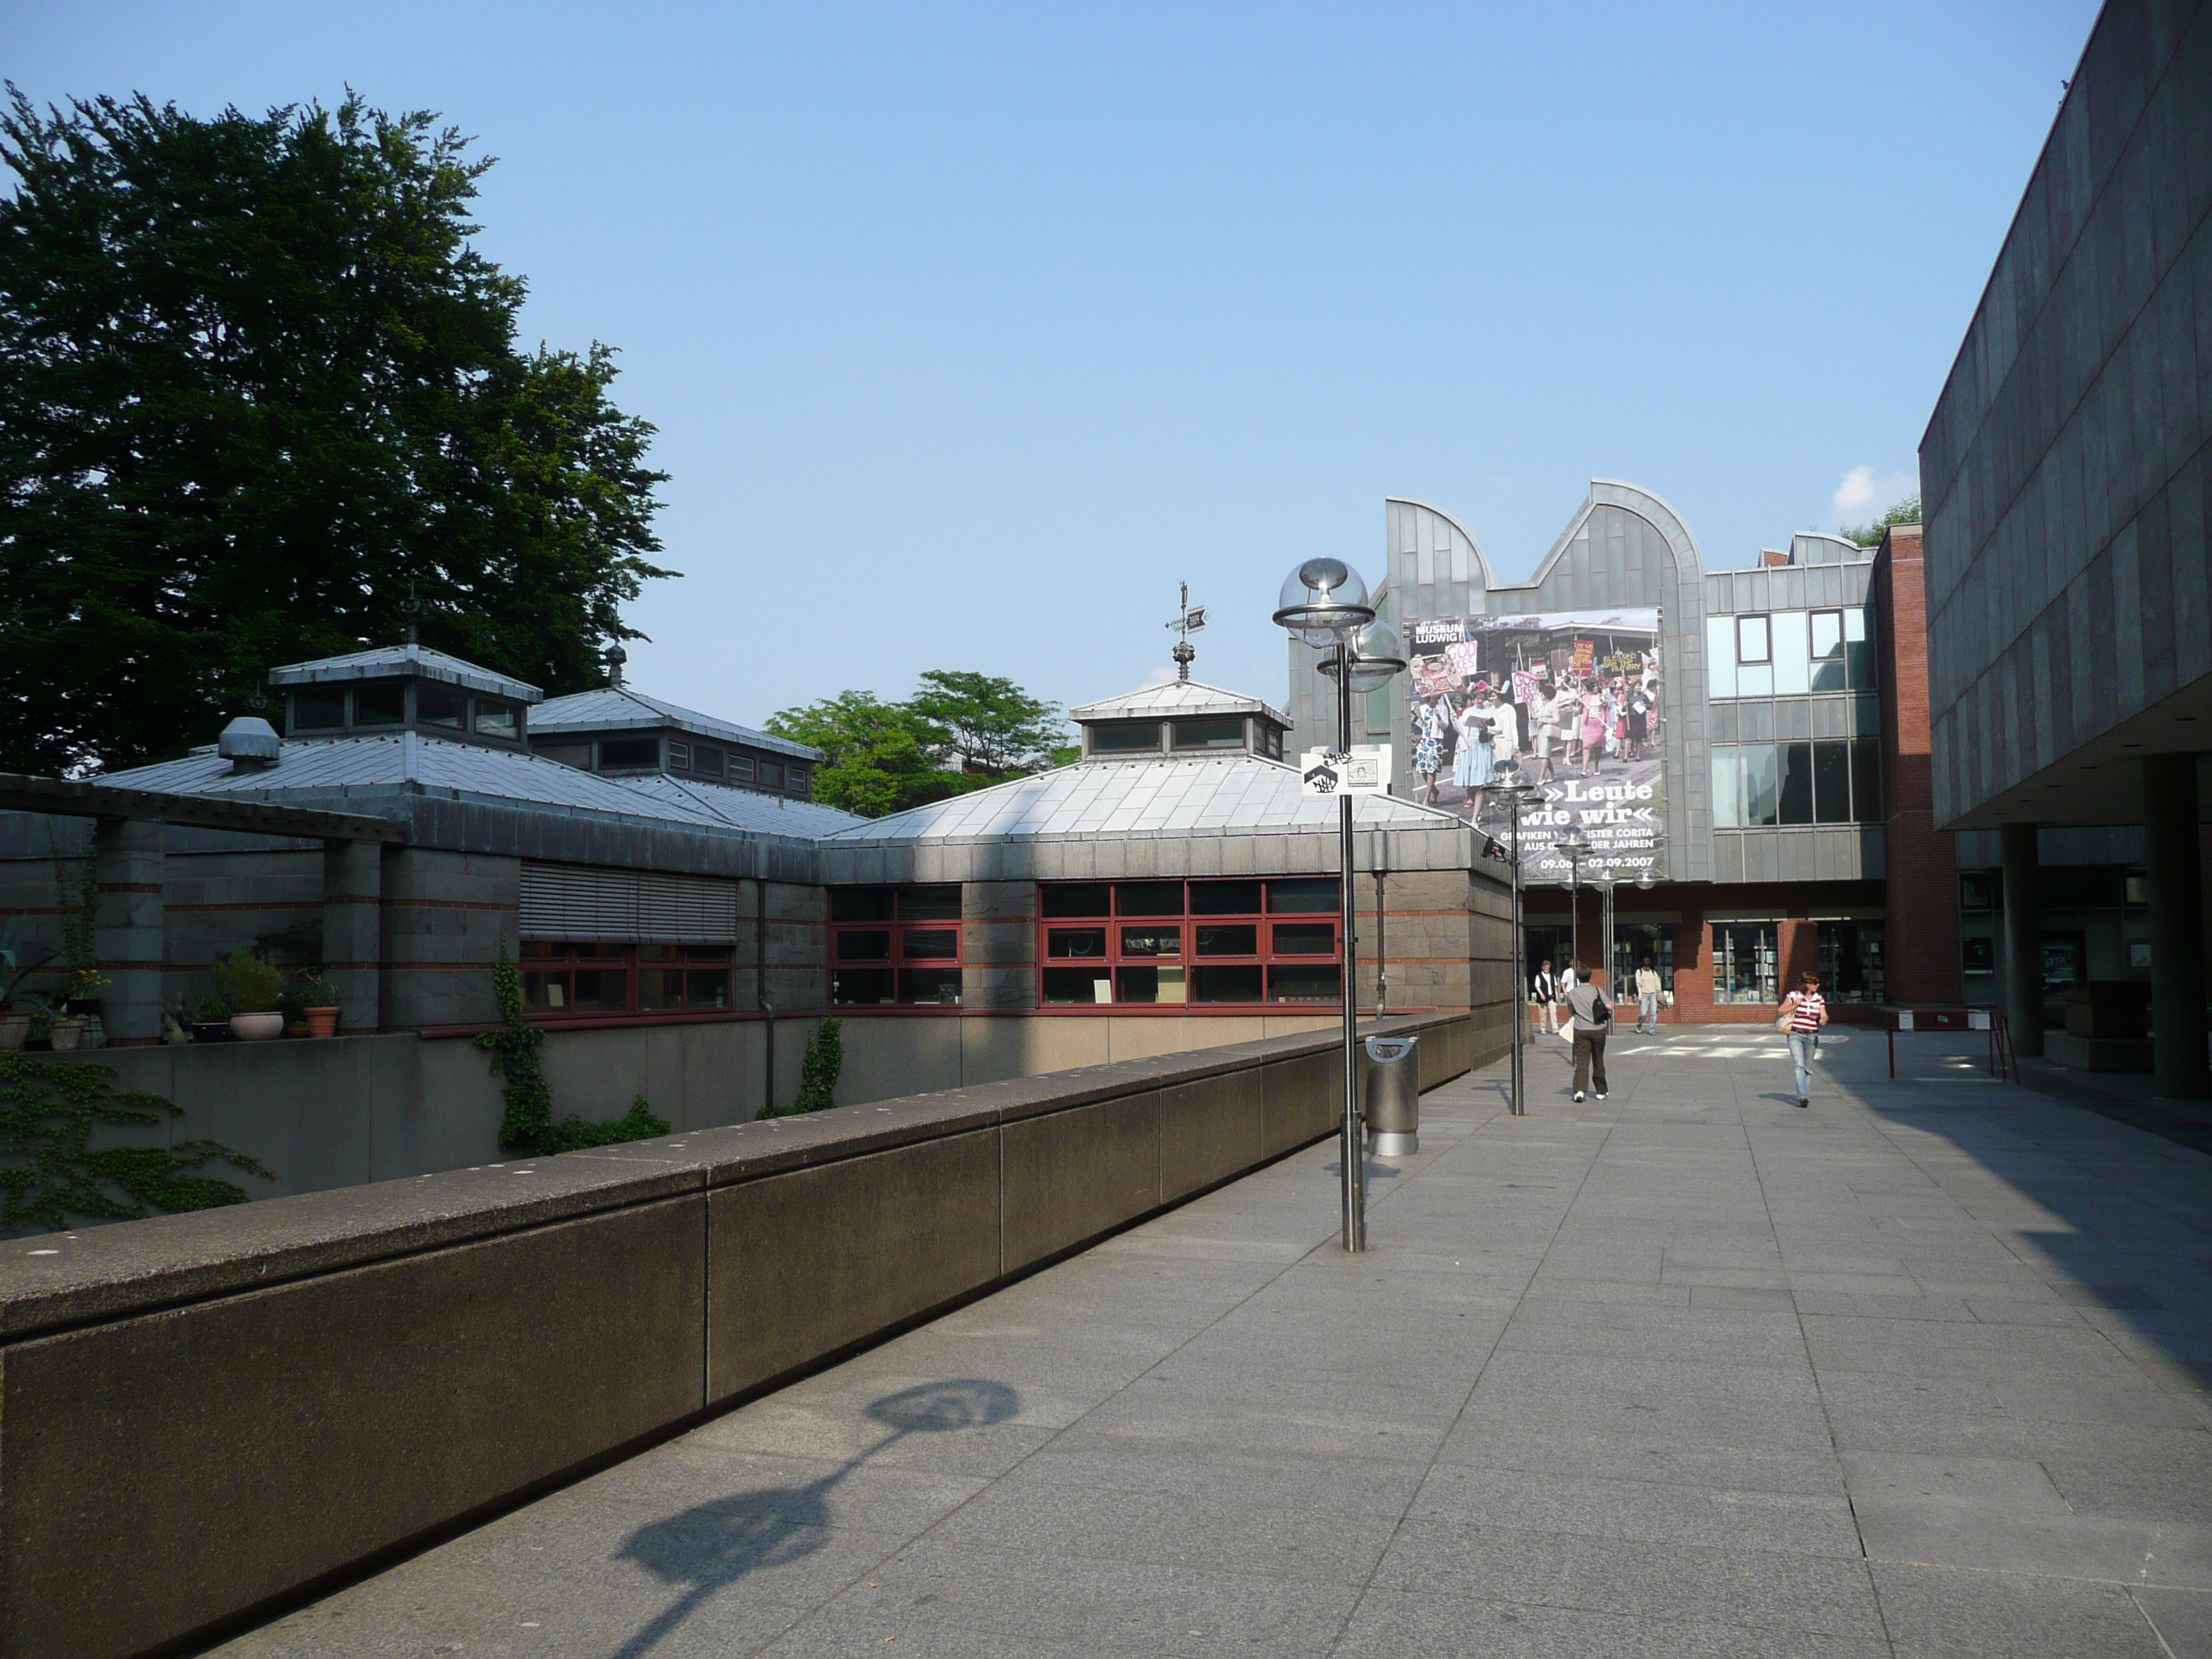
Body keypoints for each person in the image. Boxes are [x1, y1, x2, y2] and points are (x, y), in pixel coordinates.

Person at [1563, 960, 1611, 1101]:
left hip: (1580, 1029)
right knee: (1598, 1059)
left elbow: (1571, 1011)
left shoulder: (1572, 993)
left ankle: (1579, 1090)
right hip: (1598, 1029)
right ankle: (1601, 1091)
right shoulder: (1597, 991)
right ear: (1590, 976)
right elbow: (1610, 1006)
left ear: (1578, 977)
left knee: (1582, 1060)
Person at [1781, 970, 1829, 1107]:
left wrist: (1824, 1019)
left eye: (1817, 983)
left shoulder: (1818, 998)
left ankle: (1805, 1095)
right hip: (1795, 1034)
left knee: (1808, 1068)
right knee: (1799, 1065)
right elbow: (1781, 1011)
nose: (1817, 986)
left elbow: (1824, 1014)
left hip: (1812, 1035)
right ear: (1806, 984)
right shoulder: (1793, 996)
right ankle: (1802, 1096)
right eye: (1814, 983)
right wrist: (1796, 1004)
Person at [1530, 959, 1559, 1035]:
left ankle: (1555, 1029)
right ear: (1543, 968)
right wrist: (1541, 994)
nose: (1547, 969)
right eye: (1545, 967)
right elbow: (1537, 986)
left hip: (1551, 996)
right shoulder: (1539, 975)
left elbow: (1555, 986)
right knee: (1543, 1014)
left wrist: (1557, 995)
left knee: (1553, 1013)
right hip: (1543, 997)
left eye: (1548, 967)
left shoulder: (1553, 976)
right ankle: (1543, 1029)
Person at [1634, 958, 1663, 1033]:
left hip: (1653, 994)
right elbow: (1639, 984)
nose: (1647, 968)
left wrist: (1660, 994)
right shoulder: (1639, 972)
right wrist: (1640, 994)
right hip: (1644, 994)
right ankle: (1639, 1025)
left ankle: (1652, 1029)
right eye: (1645, 966)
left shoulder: (1653, 973)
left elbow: (1658, 984)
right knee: (1643, 1013)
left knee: (1653, 1013)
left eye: (1648, 966)